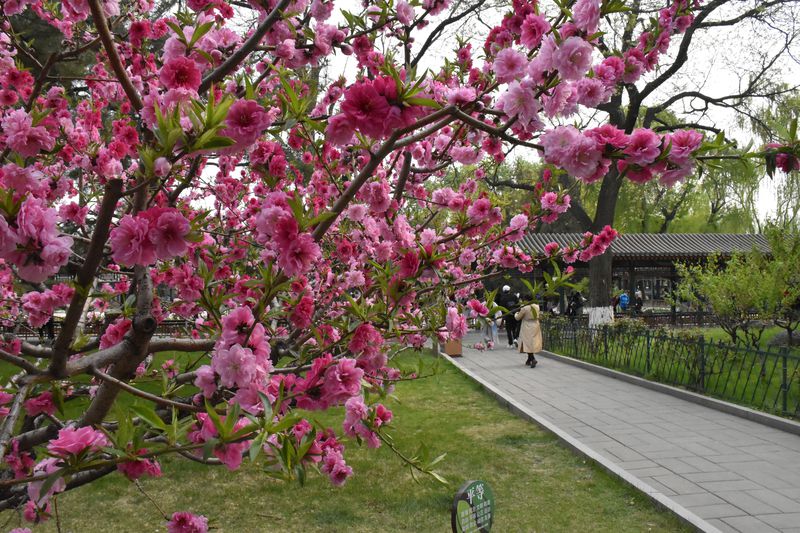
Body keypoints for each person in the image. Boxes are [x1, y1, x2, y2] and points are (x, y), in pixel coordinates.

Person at [515, 302, 543, 367]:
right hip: (535, 325)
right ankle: (529, 360)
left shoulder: (525, 308)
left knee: (527, 343)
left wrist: (516, 313)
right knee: (531, 342)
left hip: (527, 326)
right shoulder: (537, 306)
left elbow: (518, 318)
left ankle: (533, 359)